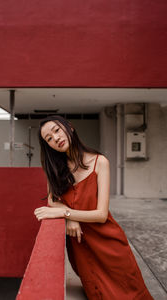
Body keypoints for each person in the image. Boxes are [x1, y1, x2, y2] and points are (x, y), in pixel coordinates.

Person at [34, 115, 154, 300]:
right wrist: (71, 218)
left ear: (70, 128)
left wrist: (65, 212)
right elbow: (52, 200)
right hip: (82, 246)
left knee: (131, 295)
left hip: (109, 243)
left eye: (57, 130)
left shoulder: (100, 162)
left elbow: (101, 214)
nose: (55, 138)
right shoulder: (54, 167)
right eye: (48, 138)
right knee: (97, 293)